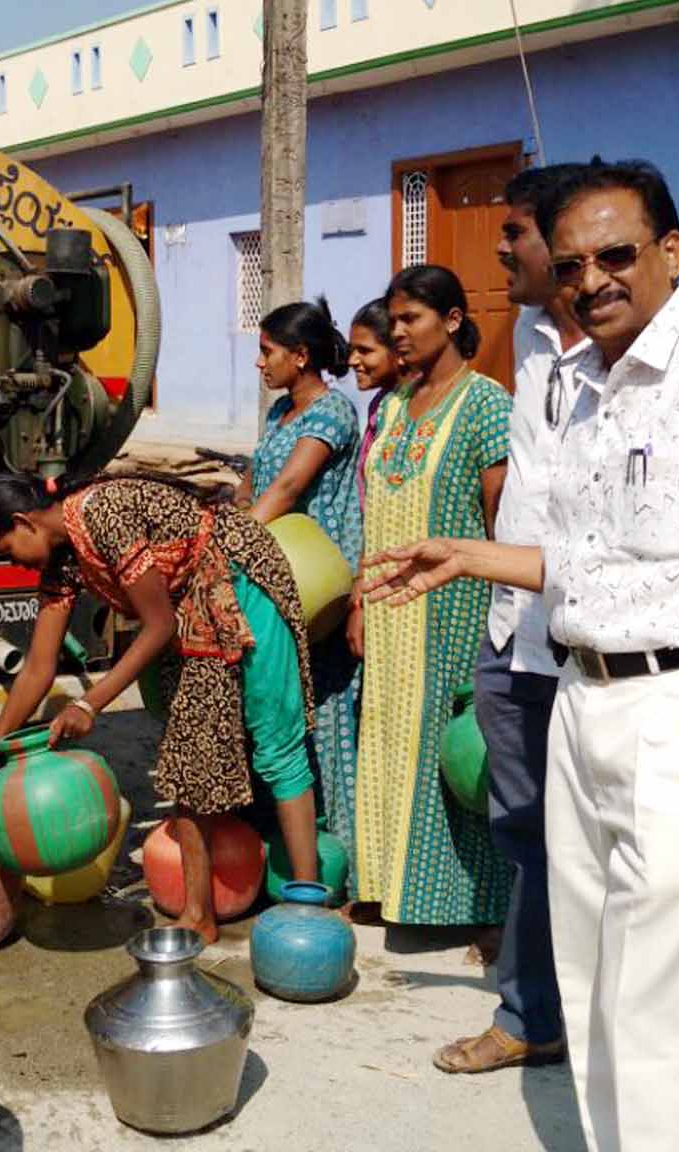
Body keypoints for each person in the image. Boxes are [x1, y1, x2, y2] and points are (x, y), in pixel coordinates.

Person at [364, 159, 679, 1152]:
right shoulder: (582, 387)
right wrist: (468, 555)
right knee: (594, 989)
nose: (591, 280)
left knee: (669, 1001)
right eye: (571, 265)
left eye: (616, 255)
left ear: (671, 251)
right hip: (584, 700)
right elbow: (596, 564)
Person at [0, 471, 319, 944]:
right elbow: (38, 669)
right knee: (189, 756)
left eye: (7, 551)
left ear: (23, 522)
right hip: (186, 603)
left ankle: (309, 907)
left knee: (276, 739)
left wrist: (88, 703)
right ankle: (199, 915)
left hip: (237, 577)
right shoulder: (61, 561)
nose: (13, 565)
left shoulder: (103, 514)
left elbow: (158, 626)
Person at [434, 165, 589, 1077]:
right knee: (525, 830)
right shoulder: (528, 339)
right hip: (516, 631)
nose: (498, 252)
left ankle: (587, 1012)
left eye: (514, 233)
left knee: (600, 843)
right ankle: (532, 1013)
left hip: (598, 642)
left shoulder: (631, 351)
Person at [352, 265, 513, 929]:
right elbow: (370, 511)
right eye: (392, 320)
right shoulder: (393, 405)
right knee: (387, 741)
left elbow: (502, 522)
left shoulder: (486, 404)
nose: (398, 332)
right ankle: (390, 886)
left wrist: (505, 621)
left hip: (454, 614)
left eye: (411, 318)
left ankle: (475, 906)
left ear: (451, 320)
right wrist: (359, 600)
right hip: (387, 613)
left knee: (452, 753)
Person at [236, 297, 363, 874]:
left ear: (301, 355)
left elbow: (287, 488)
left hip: (317, 582)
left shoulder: (331, 413)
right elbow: (253, 484)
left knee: (326, 713)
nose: (260, 362)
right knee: (280, 711)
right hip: (273, 575)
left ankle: (338, 856)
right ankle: (284, 847)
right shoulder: (280, 414)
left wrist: (229, 548)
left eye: (268, 351)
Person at [348, 296, 406, 517]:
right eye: (352, 350)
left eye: (364, 351)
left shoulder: (412, 406)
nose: (352, 360)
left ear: (398, 350)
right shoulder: (381, 403)